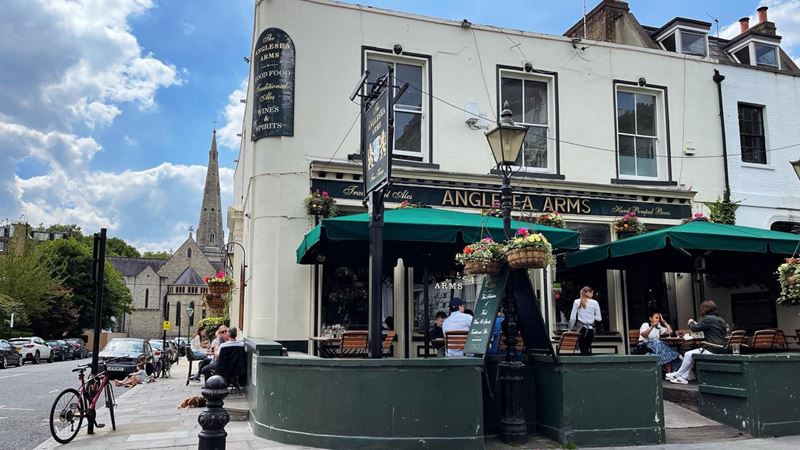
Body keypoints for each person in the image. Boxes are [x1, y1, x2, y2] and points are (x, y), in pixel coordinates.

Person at [667, 300, 729, 385]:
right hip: (721, 348)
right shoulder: (720, 319)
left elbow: (695, 328)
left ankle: (679, 374)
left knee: (688, 354)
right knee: (690, 355)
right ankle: (682, 377)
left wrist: (691, 322)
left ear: (705, 309)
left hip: (713, 349)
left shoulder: (708, 319)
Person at [568, 286, 602, 355]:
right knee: (586, 351)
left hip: (581, 329)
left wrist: (570, 329)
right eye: (592, 293)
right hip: (591, 330)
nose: (593, 295)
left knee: (583, 351)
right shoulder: (595, 303)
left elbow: (573, 317)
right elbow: (599, 318)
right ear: (588, 293)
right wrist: (592, 317)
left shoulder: (577, 302)